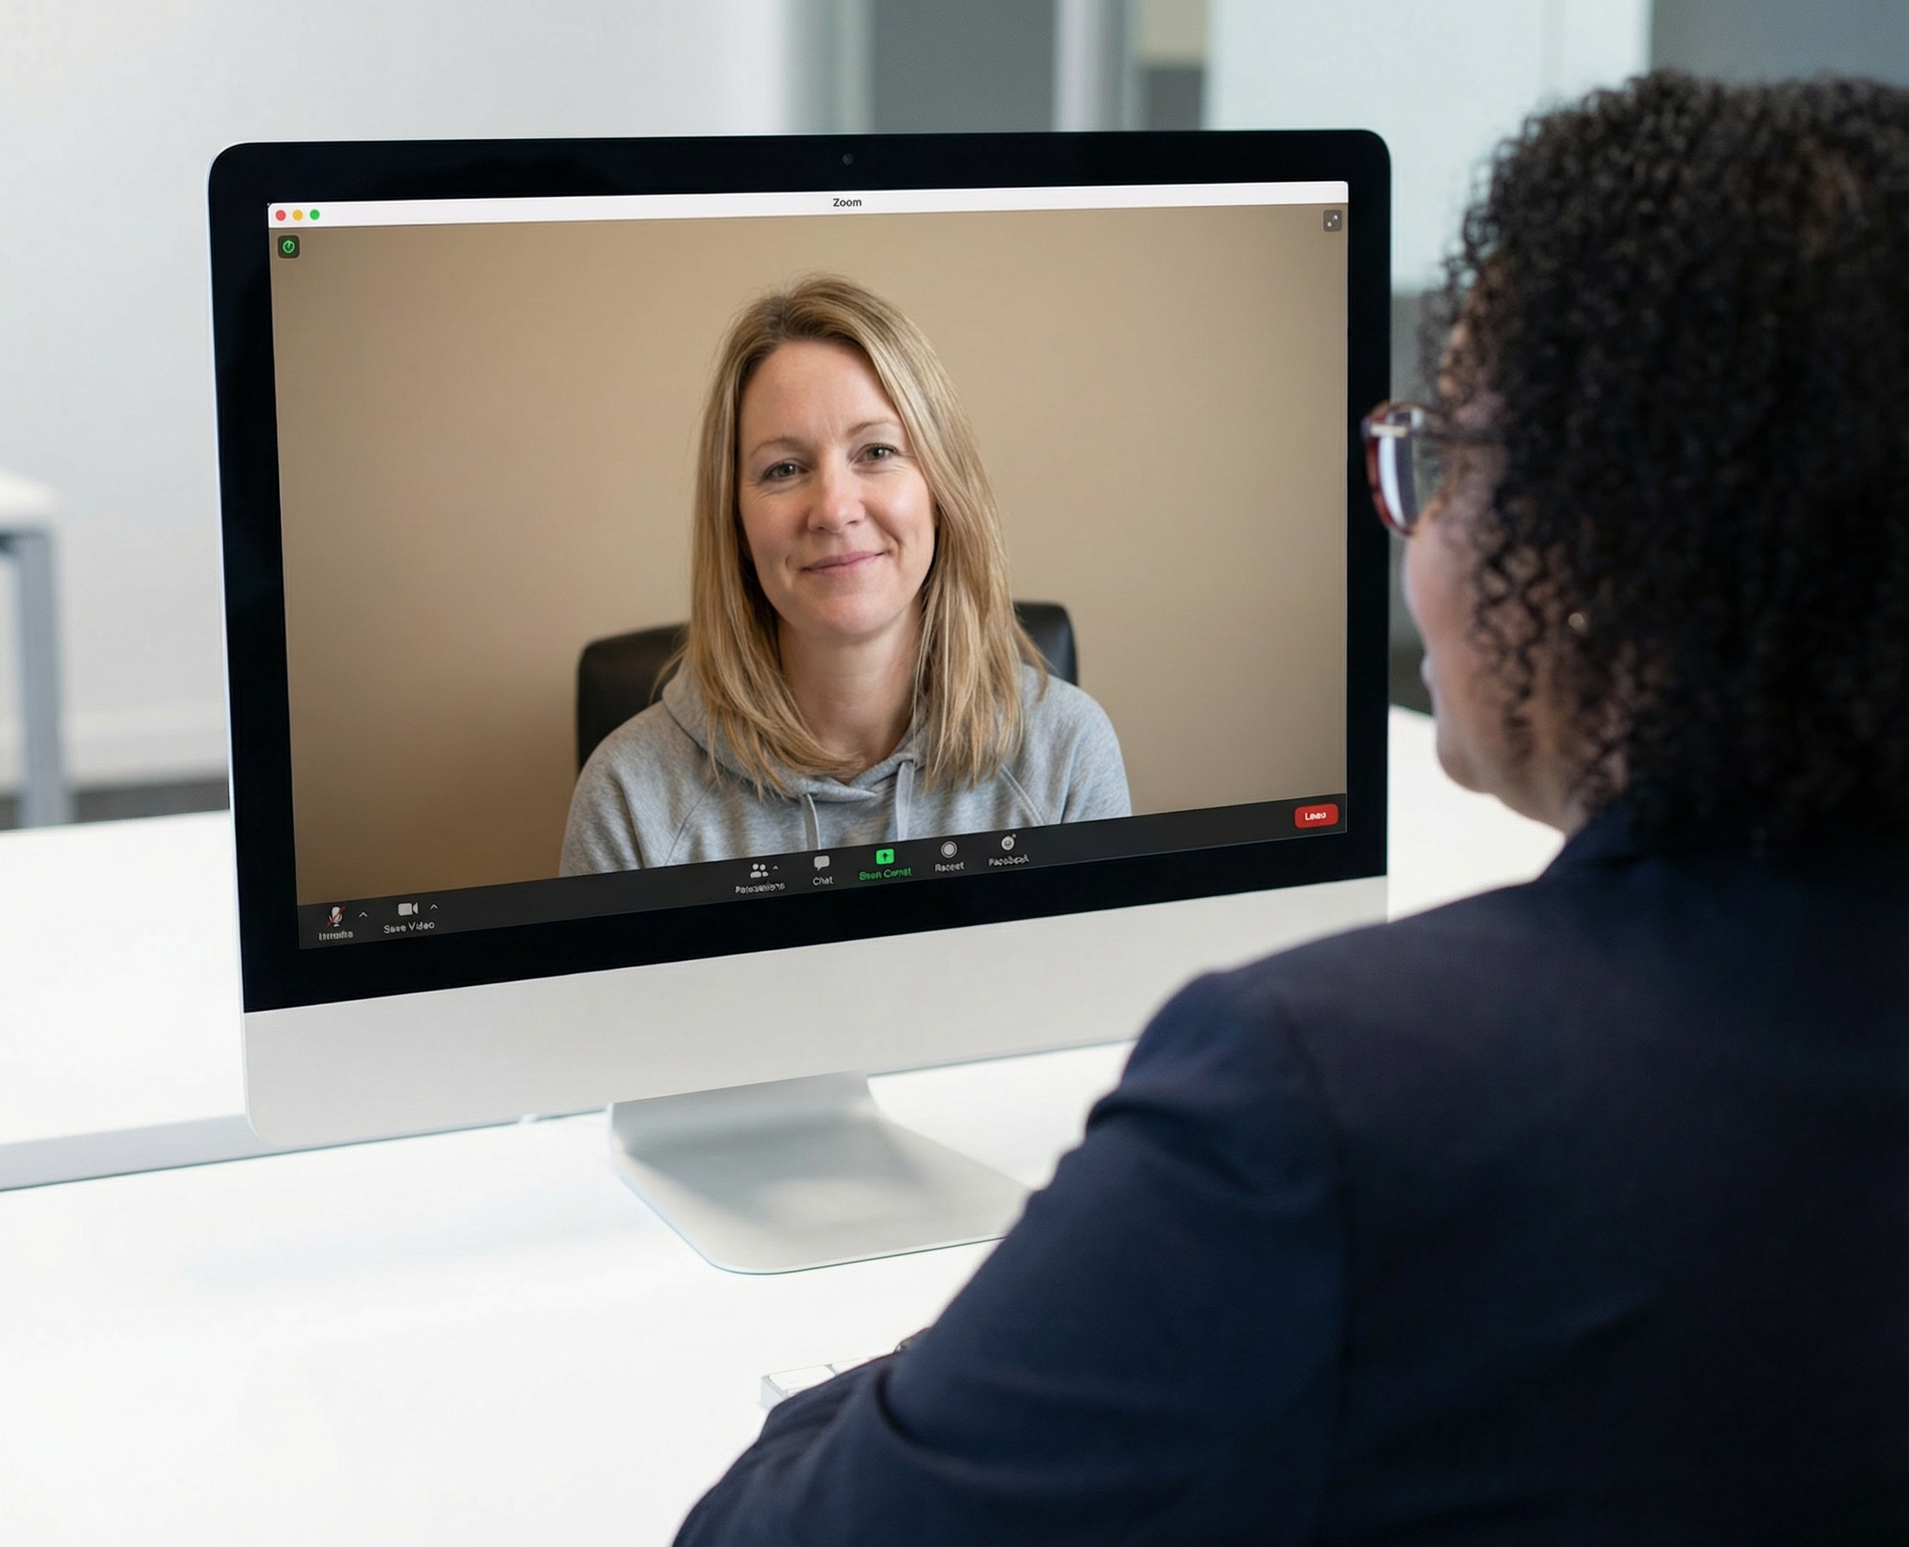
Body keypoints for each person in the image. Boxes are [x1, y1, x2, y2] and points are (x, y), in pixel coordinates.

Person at [676, 75, 1908, 1543]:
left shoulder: (1315, 1094)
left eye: (1445, 460)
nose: (1413, 524)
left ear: (1598, 536)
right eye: (783, 465)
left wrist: (1043, 1330)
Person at [561, 276, 1130, 872]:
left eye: (877, 452)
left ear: (941, 491)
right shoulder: (625, 799)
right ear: (737, 527)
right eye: (783, 468)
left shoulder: (1068, 754)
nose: (833, 509)